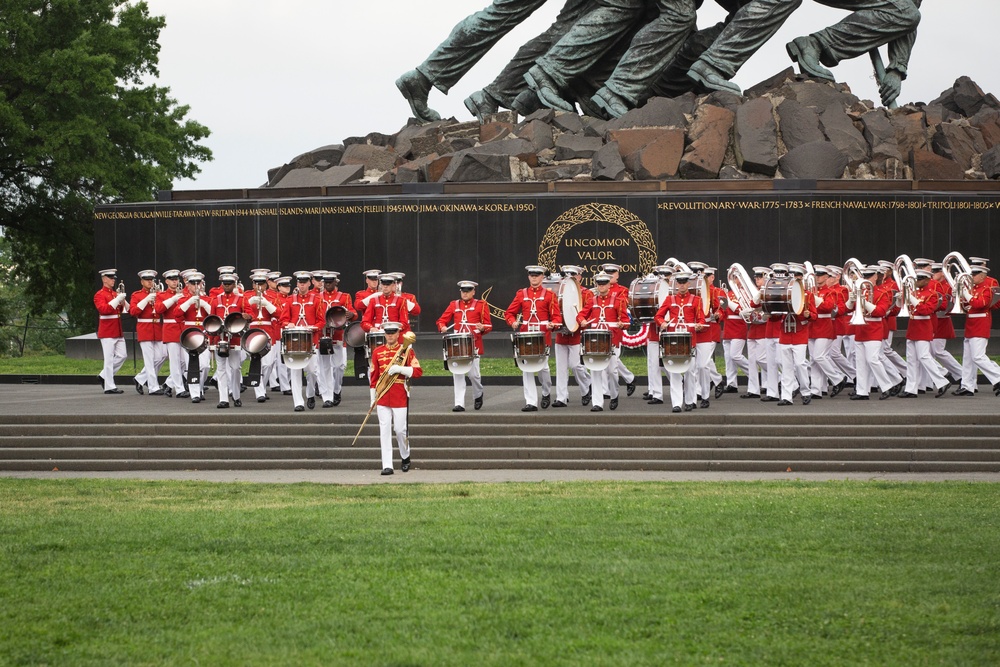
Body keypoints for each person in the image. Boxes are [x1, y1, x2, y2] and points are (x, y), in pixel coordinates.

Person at [505, 265, 562, 411]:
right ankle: (531, 401)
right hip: (526, 336)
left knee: (543, 368)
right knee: (527, 369)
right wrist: (513, 322)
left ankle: (546, 392)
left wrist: (553, 325)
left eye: (537, 275)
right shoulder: (521, 294)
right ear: (528, 276)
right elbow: (509, 313)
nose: (534, 277)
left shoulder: (550, 295)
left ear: (543, 277)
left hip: (543, 336)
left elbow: (557, 318)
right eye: (531, 275)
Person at [369, 321, 422, 475]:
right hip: (383, 395)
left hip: (399, 394)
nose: (390, 335)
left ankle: (405, 456)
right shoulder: (377, 352)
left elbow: (418, 371)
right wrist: (373, 397)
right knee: (384, 430)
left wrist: (401, 369)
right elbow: (373, 377)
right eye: (388, 332)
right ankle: (387, 465)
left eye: (393, 332)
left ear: (399, 334)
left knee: (400, 430)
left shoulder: (406, 351)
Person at [577, 271, 630, 411]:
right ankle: (597, 402)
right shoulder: (592, 301)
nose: (601, 286)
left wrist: (622, 324)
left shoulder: (618, 301)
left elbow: (626, 321)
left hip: (612, 340)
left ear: (608, 285)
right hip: (595, 340)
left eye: (604, 284)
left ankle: (614, 395)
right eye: (599, 284)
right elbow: (581, 315)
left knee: (612, 371)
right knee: (595, 370)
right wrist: (582, 320)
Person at [437, 280, 492, 411]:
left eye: (468, 291)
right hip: (457, 344)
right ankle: (459, 403)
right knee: (457, 373)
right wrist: (442, 326)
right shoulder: (454, 304)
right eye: (463, 291)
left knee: (474, 375)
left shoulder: (481, 304)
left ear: (473, 291)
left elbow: (489, 325)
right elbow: (441, 320)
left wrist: (482, 327)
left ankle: (478, 394)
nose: (465, 293)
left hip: (473, 343)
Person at [654, 270, 705, 412]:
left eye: (684, 282)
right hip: (674, 341)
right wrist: (662, 323)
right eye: (679, 282)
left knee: (690, 372)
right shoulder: (670, 299)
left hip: (689, 341)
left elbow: (700, 318)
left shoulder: (696, 300)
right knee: (675, 372)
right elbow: (658, 316)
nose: (681, 285)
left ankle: (690, 400)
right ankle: (676, 403)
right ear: (676, 284)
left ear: (688, 283)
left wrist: (699, 324)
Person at [898, 269, 951, 398]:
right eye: (917, 279)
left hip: (924, 326)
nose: (917, 281)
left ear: (927, 280)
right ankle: (911, 389)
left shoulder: (932, 295)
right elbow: (903, 308)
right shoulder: (913, 292)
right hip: (913, 326)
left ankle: (942, 381)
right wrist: (901, 299)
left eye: (920, 279)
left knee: (923, 356)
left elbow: (926, 310)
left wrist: (913, 299)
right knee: (911, 360)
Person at [847, 264, 896, 400]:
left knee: (872, 359)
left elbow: (880, 312)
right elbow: (848, 310)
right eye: (864, 276)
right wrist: (850, 302)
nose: (866, 279)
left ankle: (887, 386)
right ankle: (862, 391)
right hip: (861, 329)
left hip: (874, 329)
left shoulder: (882, 293)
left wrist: (864, 302)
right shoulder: (860, 291)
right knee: (860, 362)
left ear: (875, 277)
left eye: (869, 276)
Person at [953, 265, 1000, 397]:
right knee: (967, 358)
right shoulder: (972, 287)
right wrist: (958, 295)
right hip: (970, 324)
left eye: (974, 275)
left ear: (982, 275)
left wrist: (966, 294)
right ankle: (967, 386)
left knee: (978, 356)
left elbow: (980, 304)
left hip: (981, 324)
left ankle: (998, 377)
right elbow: (966, 305)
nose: (971, 277)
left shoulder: (987, 287)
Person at [551, 265, 593, 408]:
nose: (569, 277)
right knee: (561, 367)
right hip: (561, 333)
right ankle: (561, 397)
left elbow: (590, 313)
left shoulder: (586, 293)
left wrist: (583, 323)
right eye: (566, 275)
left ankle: (586, 387)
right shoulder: (557, 292)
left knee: (575, 365)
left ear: (579, 277)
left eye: (573, 275)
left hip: (577, 334)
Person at [776, 263, 817, 405]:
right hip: (785, 334)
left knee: (800, 364)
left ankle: (806, 391)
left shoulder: (808, 295)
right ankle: (787, 396)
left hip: (799, 334)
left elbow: (814, 315)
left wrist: (807, 314)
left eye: (797, 276)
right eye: (792, 276)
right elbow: (775, 316)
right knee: (786, 367)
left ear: (801, 278)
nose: (794, 279)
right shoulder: (782, 293)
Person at [315, 271, 356, 408]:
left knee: (339, 367)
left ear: (335, 282)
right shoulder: (317, 296)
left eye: (330, 282)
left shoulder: (344, 296)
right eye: (325, 282)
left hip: (338, 335)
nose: (327, 284)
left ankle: (336, 390)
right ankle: (327, 396)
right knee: (324, 367)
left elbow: (352, 312)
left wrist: (351, 314)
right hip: (323, 335)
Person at [243, 272, 280, 403]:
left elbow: (279, 313)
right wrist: (249, 302)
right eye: (256, 283)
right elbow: (242, 310)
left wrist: (267, 304)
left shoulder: (272, 296)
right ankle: (259, 392)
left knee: (269, 364)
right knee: (257, 361)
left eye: (262, 284)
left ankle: (262, 387)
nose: (259, 286)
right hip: (253, 331)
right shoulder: (246, 296)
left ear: (266, 284)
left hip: (268, 331)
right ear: (253, 284)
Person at [128, 269, 167, 396]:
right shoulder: (137, 295)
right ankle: (153, 387)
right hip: (145, 327)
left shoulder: (158, 293)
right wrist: (145, 300)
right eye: (147, 280)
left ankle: (140, 378)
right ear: (142, 281)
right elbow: (133, 312)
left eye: (151, 280)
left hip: (157, 327)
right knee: (149, 360)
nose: (150, 282)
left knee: (162, 355)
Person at [600, 263, 636, 397]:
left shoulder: (622, 290)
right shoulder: (599, 289)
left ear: (618, 274)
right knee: (606, 359)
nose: (609, 274)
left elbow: (624, 304)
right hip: (601, 328)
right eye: (607, 271)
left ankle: (624, 381)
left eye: (612, 272)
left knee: (612, 358)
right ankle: (627, 379)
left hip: (615, 328)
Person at [177, 271, 212, 403]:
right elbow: (177, 314)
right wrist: (189, 302)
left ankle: (200, 387)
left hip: (203, 333)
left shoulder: (208, 299)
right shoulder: (183, 299)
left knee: (205, 366)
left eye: (199, 283)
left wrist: (204, 304)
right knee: (192, 365)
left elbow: (214, 315)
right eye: (193, 283)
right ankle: (195, 393)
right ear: (188, 285)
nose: (196, 286)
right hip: (190, 334)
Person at [211, 273, 244, 409]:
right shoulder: (215, 300)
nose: (227, 285)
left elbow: (249, 315)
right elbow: (211, 321)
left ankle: (235, 395)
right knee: (221, 369)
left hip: (235, 338)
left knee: (235, 368)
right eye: (225, 283)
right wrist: (211, 341)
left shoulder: (241, 299)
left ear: (234, 284)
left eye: (229, 283)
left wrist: (247, 316)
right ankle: (223, 398)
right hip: (220, 338)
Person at [94, 268, 128, 394]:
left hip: (117, 329)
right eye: (110, 278)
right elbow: (104, 310)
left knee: (122, 355)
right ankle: (109, 386)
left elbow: (124, 310)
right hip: (107, 330)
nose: (113, 280)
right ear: (104, 279)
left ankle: (104, 375)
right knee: (108, 359)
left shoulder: (114, 294)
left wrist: (122, 300)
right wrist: (117, 299)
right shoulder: (99, 295)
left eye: (114, 278)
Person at [156, 269, 186, 398]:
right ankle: (179, 389)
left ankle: (168, 383)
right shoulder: (162, 295)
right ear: (167, 281)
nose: (175, 282)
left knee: (185, 361)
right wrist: (173, 299)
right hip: (170, 329)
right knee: (174, 361)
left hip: (183, 328)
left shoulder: (184, 293)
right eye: (172, 280)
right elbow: (159, 309)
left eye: (176, 279)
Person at [353, 269, 381, 381]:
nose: (375, 282)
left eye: (376, 280)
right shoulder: (361, 294)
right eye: (372, 280)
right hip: (369, 329)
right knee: (371, 360)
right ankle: (373, 388)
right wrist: (373, 297)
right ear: (367, 280)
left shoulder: (385, 293)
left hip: (382, 328)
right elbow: (358, 306)